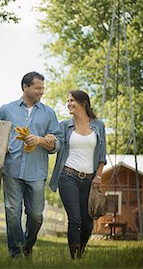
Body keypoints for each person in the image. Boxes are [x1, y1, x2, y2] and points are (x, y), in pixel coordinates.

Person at [0, 71, 62, 258]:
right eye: (38, 88)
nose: (41, 91)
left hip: (37, 171)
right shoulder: (6, 109)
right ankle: (16, 253)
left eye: (42, 88)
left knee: (35, 216)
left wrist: (41, 140)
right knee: (12, 211)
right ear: (25, 87)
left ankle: (27, 244)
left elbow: (57, 142)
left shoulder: (49, 113)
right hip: (11, 170)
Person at [48, 90, 107, 260]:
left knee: (87, 223)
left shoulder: (98, 126)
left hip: (89, 179)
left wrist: (98, 176)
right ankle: (75, 258)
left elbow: (102, 156)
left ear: (84, 103)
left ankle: (80, 251)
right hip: (68, 176)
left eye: (72, 100)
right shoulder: (64, 125)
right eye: (67, 101)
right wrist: (49, 139)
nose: (69, 104)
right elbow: (56, 144)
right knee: (75, 219)